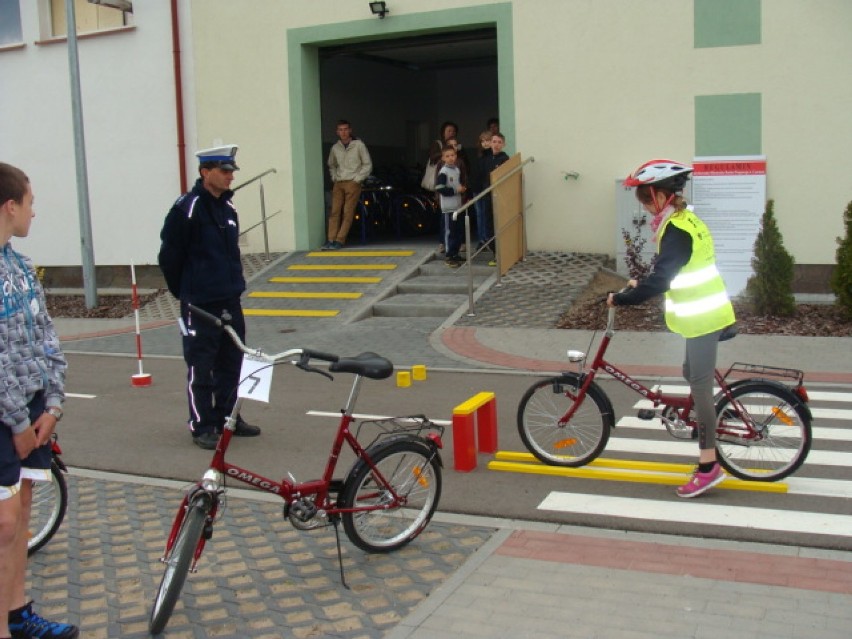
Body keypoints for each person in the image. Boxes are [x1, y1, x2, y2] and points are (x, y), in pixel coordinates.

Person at [608, 159, 736, 498]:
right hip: (704, 314)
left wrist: (623, 299)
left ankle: (709, 466)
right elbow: (673, 269)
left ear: (661, 195)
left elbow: (664, 278)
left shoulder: (676, 229)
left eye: (646, 199)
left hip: (704, 318)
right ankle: (705, 420)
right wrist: (640, 282)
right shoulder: (681, 220)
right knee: (689, 371)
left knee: (700, 386)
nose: (645, 207)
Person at [0, 162, 78, 639]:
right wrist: (16, 422)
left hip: (32, 409)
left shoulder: (21, 265)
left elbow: (44, 335)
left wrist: (53, 404)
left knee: (23, 516)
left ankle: (17, 612)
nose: (35, 211)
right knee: (4, 525)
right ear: (10, 206)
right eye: (31, 201)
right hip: (8, 416)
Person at [158, 145, 261, 450]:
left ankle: (228, 417)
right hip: (200, 302)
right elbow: (169, 256)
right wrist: (186, 293)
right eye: (224, 171)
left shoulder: (228, 209)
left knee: (233, 361)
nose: (230, 176)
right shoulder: (186, 209)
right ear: (206, 173)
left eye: (232, 171)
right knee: (202, 364)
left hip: (229, 298)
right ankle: (202, 424)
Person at [323, 120, 372, 250]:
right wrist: (334, 177)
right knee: (334, 211)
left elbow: (367, 164)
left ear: (350, 130)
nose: (343, 132)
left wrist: (358, 179)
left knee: (347, 212)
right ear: (337, 132)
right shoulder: (335, 148)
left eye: (345, 129)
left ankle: (340, 240)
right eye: (340, 130)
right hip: (339, 182)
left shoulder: (359, 145)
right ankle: (330, 239)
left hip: (352, 181)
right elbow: (331, 164)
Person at [476, 132, 510, 265]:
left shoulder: (505, 159)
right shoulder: (485, 159)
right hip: (487, 196)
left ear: (503, 144)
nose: (496, 144)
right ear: (490, 143)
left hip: (499, 197)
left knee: (499, 224)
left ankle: (500, 255)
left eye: (499, 142)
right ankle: (495, 253)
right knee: (489, 226)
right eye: (494, 141)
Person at [435, 144, 467, 268]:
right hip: (448, 208)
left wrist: (462, 189)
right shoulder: (443, 172)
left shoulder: (456, 169)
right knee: (450, 232)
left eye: (452, 155)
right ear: (443, 158)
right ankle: (449, 255)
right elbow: (440, 188)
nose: (450, 158)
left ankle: (455, 253)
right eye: (447, 156)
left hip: (457, 207)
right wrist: (455, 191)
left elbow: (458, 184)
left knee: (458, 231)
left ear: (456, 156)